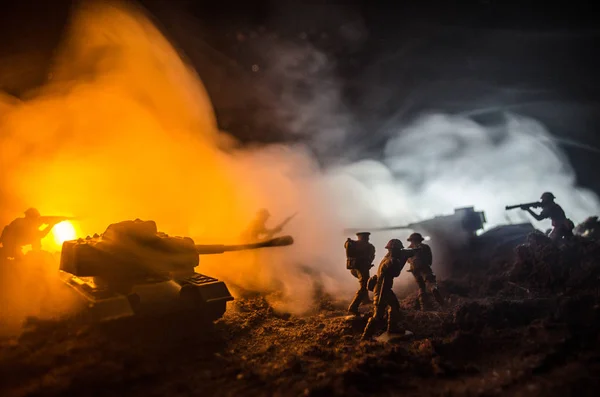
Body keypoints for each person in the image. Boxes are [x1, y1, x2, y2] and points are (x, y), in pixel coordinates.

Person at [361, 239, 417, 340]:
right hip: (381, 290)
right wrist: (402, 259)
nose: (398, 251)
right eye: (396, 249)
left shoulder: (389, 257)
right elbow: (396, 273)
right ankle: (366, 336)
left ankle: (392, 328)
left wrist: (412, 251)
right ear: (392, 250)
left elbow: (408, 252)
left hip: (385, 289)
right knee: (378, 315)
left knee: (394, 306)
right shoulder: (390, 261)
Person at [406, 232, 445, 310]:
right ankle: (434, 290)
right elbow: (430, 259)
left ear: (411, 240)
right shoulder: (425, 247)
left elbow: (408, 260)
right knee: (431, 282)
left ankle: (423, 306)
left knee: (421, 287)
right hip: (425, 267)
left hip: (414, 270)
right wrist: (427, 265)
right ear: (420, 240)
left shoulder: (408, 249)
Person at [345, 232, 376, 315]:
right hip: (360, 269)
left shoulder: (354, 244)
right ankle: (353, 307)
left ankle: (365, 300)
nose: (367, 239)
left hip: (359, 268)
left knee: (365, 284)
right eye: (366, 237)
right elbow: (371, 256)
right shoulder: (365, 246)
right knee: (363, 287)